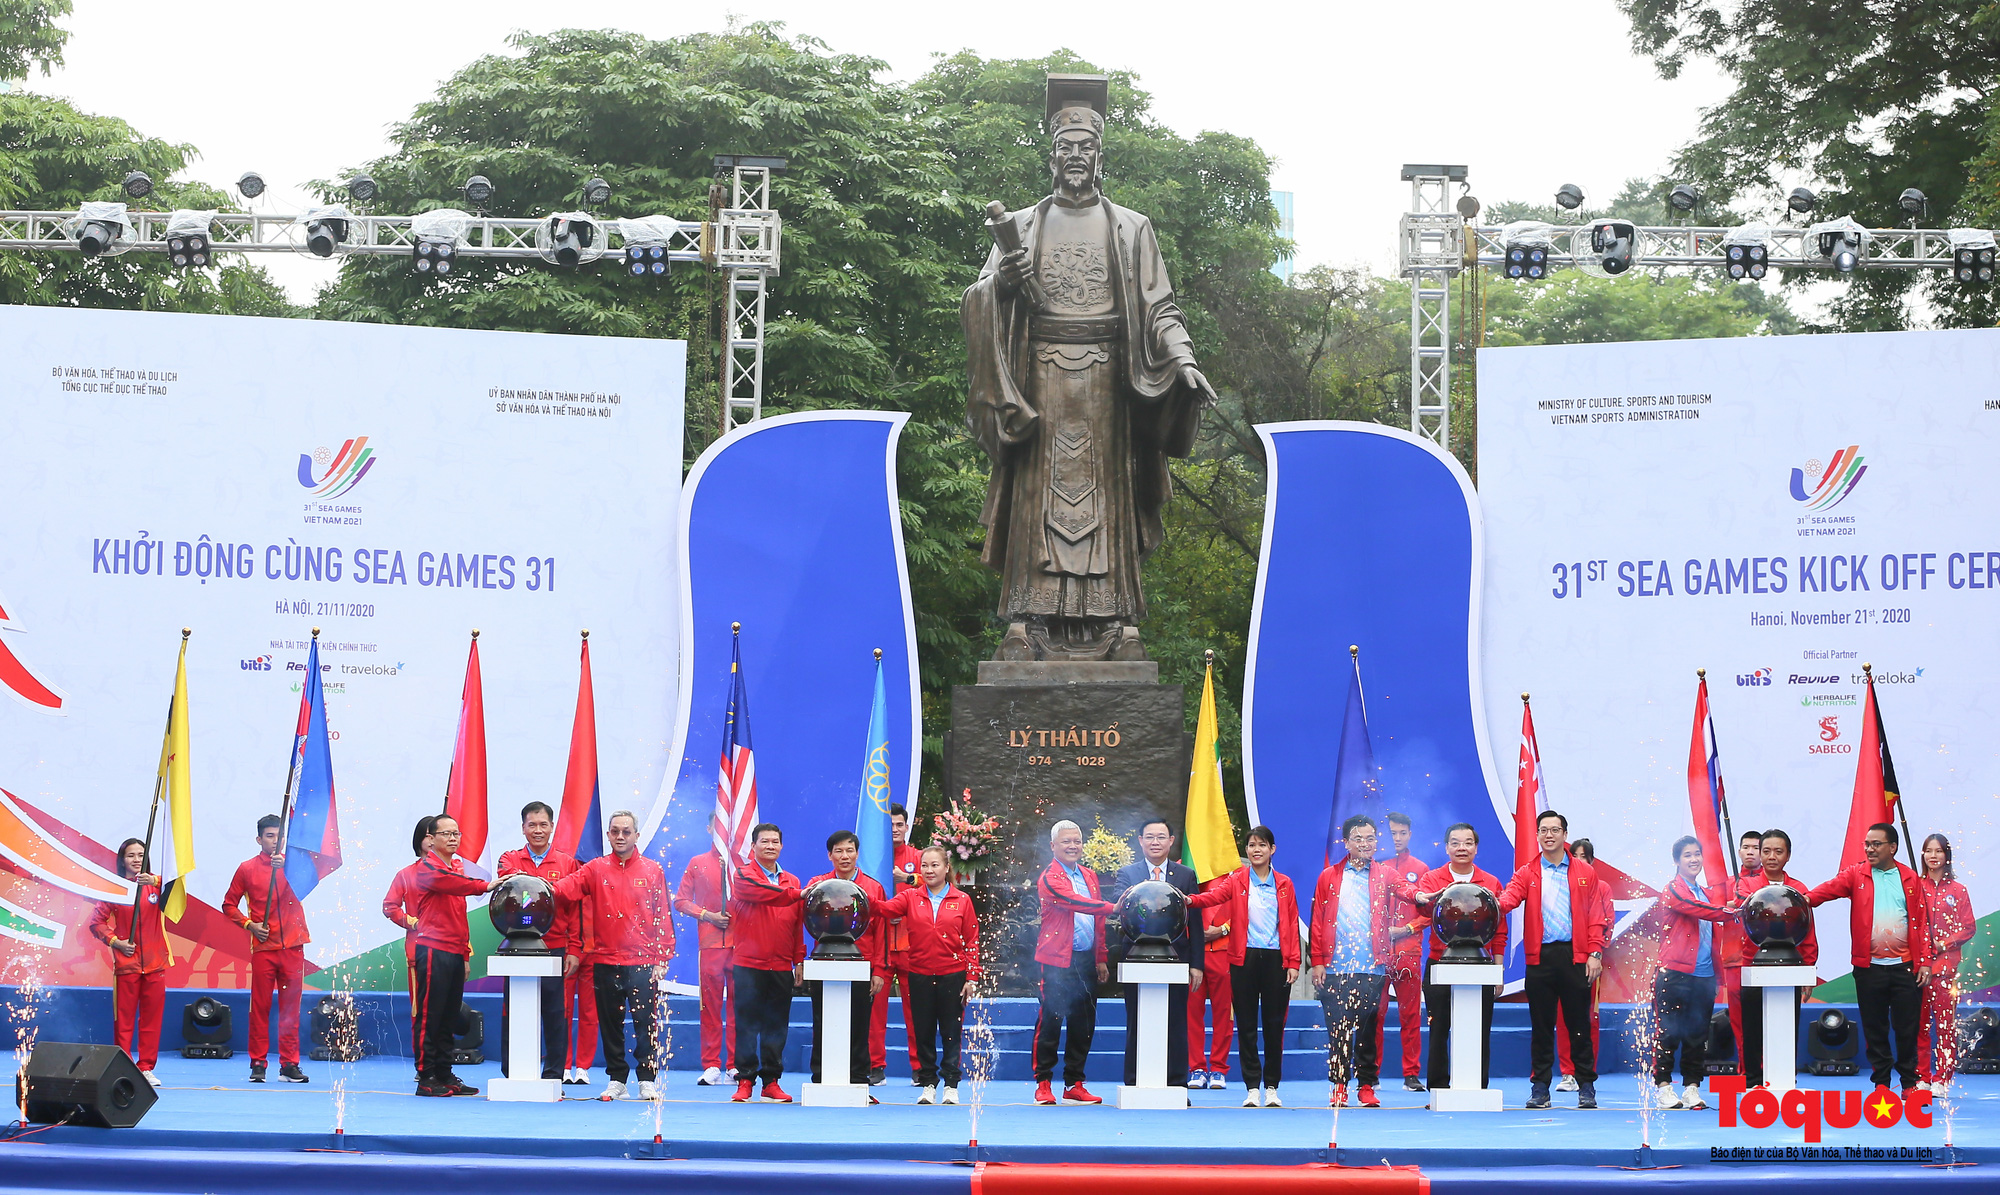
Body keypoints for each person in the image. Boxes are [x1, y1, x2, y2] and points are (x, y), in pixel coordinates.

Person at [547, 810, 674, 1101]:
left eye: (626, 831)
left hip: (642, 962)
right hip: (605, 960)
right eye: (615, 831)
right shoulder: (595, 869)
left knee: (646, 1023)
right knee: (610, 1024)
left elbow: (663, 914)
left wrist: (662, 957)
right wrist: (537, 888)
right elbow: (564, 889)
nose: (620, 836)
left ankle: (647, 1079)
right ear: (607, 835)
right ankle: (617, 1079)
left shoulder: (652, 870)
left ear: (636, 836)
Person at [1807, 823, 1932, 1094]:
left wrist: (1925, 961)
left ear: (1892, 847)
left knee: (1907, 1029)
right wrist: (1801, 899)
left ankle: (1909, 1084)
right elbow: (1825, 891)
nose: (1869, 849)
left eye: (1876, 844)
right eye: (1867, 844)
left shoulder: (1910, 878)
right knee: (1875, 1029)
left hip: (1905, 968)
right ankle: (1882, 1085)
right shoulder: (1857, 874)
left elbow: (1922, 923)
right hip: (1869, 968)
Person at [1186, 825, 1301, 1107]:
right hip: (1243, 960)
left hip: (1276, 960)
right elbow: (1213, 897)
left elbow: (1291, 923)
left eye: (1262, 845)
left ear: (1272, 849)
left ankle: (1271, 1087)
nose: (1256, 850)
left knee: (1274, 1026)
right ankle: (1251, 1088)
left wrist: (1293, 962)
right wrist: (1189, 899)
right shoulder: (1238, 880)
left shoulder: (1284, 884)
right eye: (1251, 845)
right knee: (1246, 1025)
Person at [1496, 810, 1604, 1110]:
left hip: (1575, 957)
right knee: (1541, 1027)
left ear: (1565, 835)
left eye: (1555, 830)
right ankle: (1540, 1089)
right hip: (1539, 958)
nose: (1549, 835)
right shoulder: (1527, 872)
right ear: (1537, 835)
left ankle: (1586, 1087)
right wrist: (1487, 904)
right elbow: (1508, 899)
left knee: (1579, 1025)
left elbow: (1596, 916)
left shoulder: (1584, 872)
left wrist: (1595, 953)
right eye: (1543, 830)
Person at [870, 845, 980, 1105]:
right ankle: (928, 1083)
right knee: (923, 1031)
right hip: (918, 974)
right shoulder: (910, 897)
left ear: (946, 868)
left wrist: (972, 977)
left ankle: (951, 1085)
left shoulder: (962, 899)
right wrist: (859, 895)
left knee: (951, 1031)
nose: (929, 870)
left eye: (935, 865)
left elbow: (972, 939)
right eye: (925, 866)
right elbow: (883, 909)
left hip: (953, 974)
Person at [1402, 823, 1507, 1091]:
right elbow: (1424, 913)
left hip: (1480, 966)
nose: (1462, 848)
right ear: (1447, 847)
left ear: (1476, 848)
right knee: (1438, 1029)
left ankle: (1478, 1088)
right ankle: (1438, 1089)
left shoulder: (1491, 883)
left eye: (1468, 843)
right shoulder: (1432, 879)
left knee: (1480, 1030)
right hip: (1440, 963)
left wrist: (1497, 971)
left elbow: (1499, 930)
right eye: (1456, 843)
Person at [410, 815, 501, 1097]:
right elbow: (451, 884)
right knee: (430, 1015)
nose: (452, 838)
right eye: (446, 834)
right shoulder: (427, 868)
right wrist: (485, 886)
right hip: (433, 949)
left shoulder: (456, 867)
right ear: (431, 839)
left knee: (449, 1016)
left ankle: (444, 1073)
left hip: (453, 950)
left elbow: (460, 917)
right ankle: (426, 1076)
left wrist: (464, 954)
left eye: (456, 834)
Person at [1310, 815, 1395, 1108]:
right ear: (1346, 842)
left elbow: (1406, 892)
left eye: (1370, 838)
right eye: (1358, 838)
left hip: (1372, 966)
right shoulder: (1329, 876)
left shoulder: (1384, 874)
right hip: (1336, 967)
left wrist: (1421, 895)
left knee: (1368, 1031)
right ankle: (1339, 1086)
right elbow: (1317, 921)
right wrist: (1318, 961)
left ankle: (1367, 1086)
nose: (1365, 844)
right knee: (1338, 1031)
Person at [220, 814, 311, 1084]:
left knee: (290, 1010)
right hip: (264, 948)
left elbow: (309, 883)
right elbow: (229, 904)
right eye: (269, 836)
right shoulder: (247, 869)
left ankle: (289, 1065)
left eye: (279, 836)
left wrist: (289, 868)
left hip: (293, 946)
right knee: (259, 1008)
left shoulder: (295, 866)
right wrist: (250, 925)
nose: (275, 841)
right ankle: (258, 1063)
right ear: (259, 840)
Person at [1031, 819, 1116, 1105]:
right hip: (1056, 960)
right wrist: (1114, 907)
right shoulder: (1049, 878)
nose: (1072, 846)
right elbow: (1076, 903)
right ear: (1053, 846)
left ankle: (1074, 1083)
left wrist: (1101, 957)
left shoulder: (1090, 876)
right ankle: (1043, 1083)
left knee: (1084, 1022)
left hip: (1085, 959)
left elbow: (1098, 922)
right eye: (1066, 841)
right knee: (1051, 1020)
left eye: (1077, 841)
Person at [1110, 818, 1199, 1089]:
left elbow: (1195, 922)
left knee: (1176, 1022)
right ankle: (1134, 1082)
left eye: (1161, 837)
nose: (1155, 842)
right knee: (1136, 1021)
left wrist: (1197, 964)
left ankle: (1177, 1084)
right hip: (1136, 957)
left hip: (1176, 959)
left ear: (1171, 840)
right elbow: (1117, 908)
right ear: (1140, 841)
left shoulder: (1185, 875)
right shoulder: (1128, 874)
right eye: (1149, 837)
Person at [495, 802, 581, 1083]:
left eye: (543, 824)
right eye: (532, 825)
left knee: (556, 1013)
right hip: (518, 947)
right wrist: (542, 888)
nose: (538, 830)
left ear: (552, 827)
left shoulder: (567, 863)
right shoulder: (510, 859)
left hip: (554, 948)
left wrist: (574, 949)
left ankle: (554, 1076)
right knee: (514, 1011)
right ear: (523, 828)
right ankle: (514, 1074)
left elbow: (574, 910)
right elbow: (513, 886)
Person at [1653, 837, 1737, 1110]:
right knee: (1668, 1032)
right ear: (1677, 861)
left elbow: (1713, 924)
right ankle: (1664, 1086)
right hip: (1675, 972)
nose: (1694, 859)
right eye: (1687, 855)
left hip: (1704, 975)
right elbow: (1697, 909)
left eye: (1697, 854)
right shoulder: (1673, 890)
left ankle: (1692, 1087)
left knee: (1698, 1034)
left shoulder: (1706, 893)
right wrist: (1728, 911)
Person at [805, 830, 887, 1099]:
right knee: (822, 1022)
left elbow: (882, 932)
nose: (844, 856)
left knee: (859, 1026)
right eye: (838, 851)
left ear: (857, 854)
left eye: (849, 850)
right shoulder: (817, 886)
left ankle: (859, 1081)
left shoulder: (873, 888)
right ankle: (820, 1078)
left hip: (861, 965)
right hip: (824, 963)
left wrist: (879, 970)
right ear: (830, 855)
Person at [728, 823, 805, 1103]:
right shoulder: (743, 875)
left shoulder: (792, 881)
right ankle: (745, 1080)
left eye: (775, 841)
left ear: (781, 846)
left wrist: (799, 960)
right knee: (747, 1025)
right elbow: (764, 893)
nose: (770, 846)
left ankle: (771, 1082)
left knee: (777, 1026)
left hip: (781, 965)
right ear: (753, 846)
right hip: (749, 964)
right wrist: (796, 894)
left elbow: (797, 925)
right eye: (764, 841)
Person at [1738, 828, 1817, 1087]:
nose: (1772, 856)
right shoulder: (1747, 886)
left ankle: (1785, 1080)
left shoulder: (1798, 889)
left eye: (1778, 851)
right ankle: (1753, 1081)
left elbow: (1808, 931)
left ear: (1788, 855)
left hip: (1789, 968)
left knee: (1786, 1025)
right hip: (1754, 966)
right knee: (1752, 1027)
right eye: (1766, 851)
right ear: (1760, 854)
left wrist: (1808, 969)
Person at [90, 839, 169, 1086]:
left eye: (141, 855)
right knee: (123, 1021)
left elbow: (179, 888)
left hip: (155, 963)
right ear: (122, 860)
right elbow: (96, 923)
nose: (136, 860)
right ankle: (123, 1067)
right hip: (127, 964)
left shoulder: (157, 886)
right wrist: (117, 942)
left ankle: (145, 1067)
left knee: (151, 1020)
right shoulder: (115, 888)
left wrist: (154, 880)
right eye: (131, 855)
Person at [1374, 812, 1429, 1092]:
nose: (1397, 838)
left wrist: (1407, 929)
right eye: (1392, 833)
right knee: (1375, 1014)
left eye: (1402, 833)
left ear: (1410, 834)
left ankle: (1411, 1074)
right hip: (1379, 955)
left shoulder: (1421, 869)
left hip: (1409, 954)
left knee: (1411, 1015)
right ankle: (1371, 1074)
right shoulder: (1375, 868)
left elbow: (1429, 912)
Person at [1916, 833, 1974, 1094]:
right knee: (1920, 1026)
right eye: (1929, 851)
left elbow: (1968, 928)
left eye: (1938, 851)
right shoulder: (1916, 887)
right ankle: (1922, 1077)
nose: (1933, 856)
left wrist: (1943, 945)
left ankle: (1942, 1078)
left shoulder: (1958, 890)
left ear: (1946, 855)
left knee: (1944, 1025)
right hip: (1919, 969)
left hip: (1945, 970)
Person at [1555, 838, 1613, 1092]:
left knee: (1589, 1018)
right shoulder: (1559, 883)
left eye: (1584, 857)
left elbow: (1607, 923)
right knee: (1563, 1017)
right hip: (1562, 960)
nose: (1579, 861)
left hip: (1589, 962)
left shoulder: (1601, 887)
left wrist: (1594, 954)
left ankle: (1586, 1072)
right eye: (1574, 856)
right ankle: (1567, 1073)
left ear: (1591, 861)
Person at [675, 846, 736, 1085]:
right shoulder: (697, 862)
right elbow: (681, 901)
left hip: (741, 945)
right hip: (710, 945)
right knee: (709, 1008)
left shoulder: (745, 861)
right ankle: (711, 1064)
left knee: (739, 1008)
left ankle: (735, 1065)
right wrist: (708, 915)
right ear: (710, 829)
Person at [875, 802, 924, 1085]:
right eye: (889, 825)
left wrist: (907, 878)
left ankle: (919, 1068)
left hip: (911, 945)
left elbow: (937, 881)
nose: (894, 829)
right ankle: (875, 1066)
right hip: (879, 945)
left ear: (907, 826)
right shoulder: (869, 856)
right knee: (875, 1011)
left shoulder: (918, 857)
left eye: (899, 825)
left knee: (916, 1010)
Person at [1186, 871, 1235, 1091]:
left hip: (1225, 951)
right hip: (1192, 951)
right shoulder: (1184, 868)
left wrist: (1224, 929)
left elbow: (1248, 910)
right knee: (1191, 1013)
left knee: (1224, 1013)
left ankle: (1218, 1068)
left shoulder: (1239, 873)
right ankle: (1196, 1067)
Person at [1721, 830, 1762, 1077]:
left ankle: (1767, 1069)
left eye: (1755, 848)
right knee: (1739, 1021)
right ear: (1738, 852)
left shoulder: (1770, 885)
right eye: (1746, 847)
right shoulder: (1727, 884)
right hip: (1734, 960)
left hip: (1763, 961)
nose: (1750, 852)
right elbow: (1713, 912)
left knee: (1766, 1017)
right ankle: (1746, 1070)